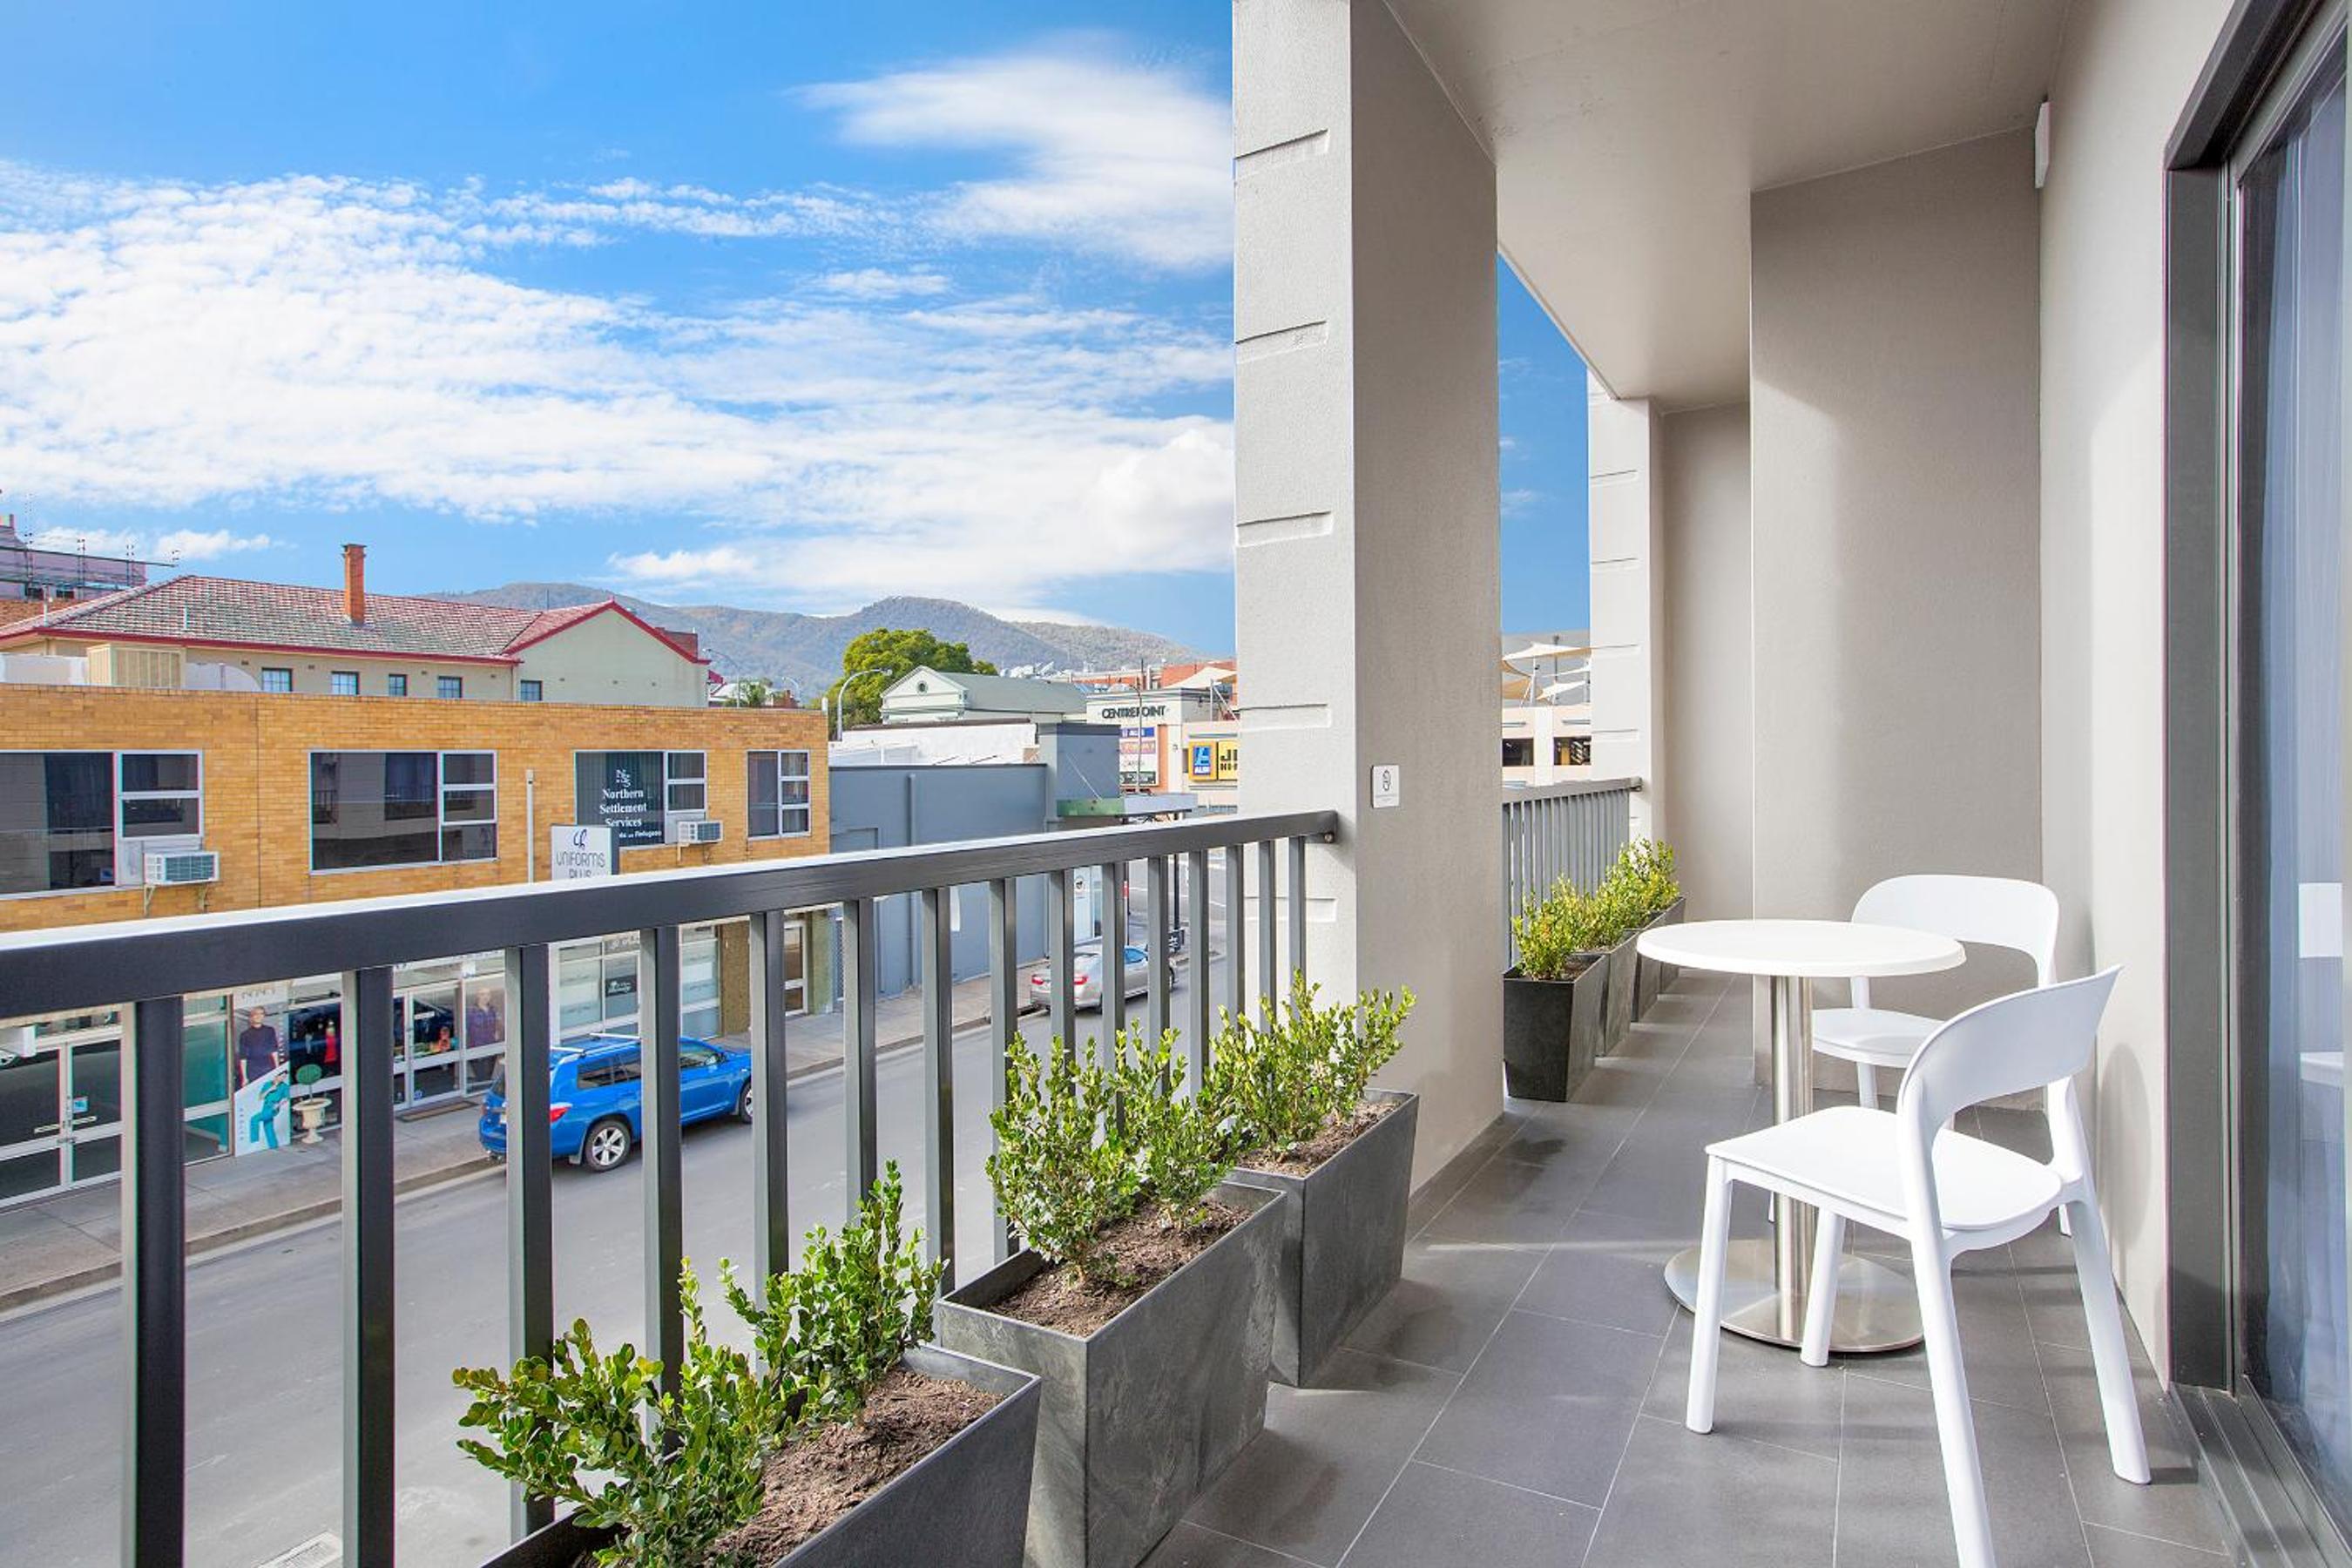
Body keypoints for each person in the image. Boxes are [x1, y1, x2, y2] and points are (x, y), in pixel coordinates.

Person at [235, 1008, 282, 1088]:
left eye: (261, 1014)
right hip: (253, 1070)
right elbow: (243, 1058)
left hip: (268, 1067)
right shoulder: (245, 1035)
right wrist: (244, 1078)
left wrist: (277, 1070)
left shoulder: (270, 1030)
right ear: (251, 1017)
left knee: (271, 1088)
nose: (259, 1016)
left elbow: (274, 1051)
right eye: (256, 1014)